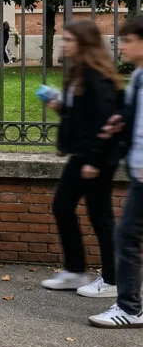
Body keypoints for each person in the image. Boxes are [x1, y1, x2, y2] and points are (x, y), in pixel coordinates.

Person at [40, 20, 120, 299]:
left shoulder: (96, 76)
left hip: (95, 159)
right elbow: (83, 118)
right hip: (84, 155)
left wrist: (93, 162)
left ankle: (112, 279)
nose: (64, 44)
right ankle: (75, 271)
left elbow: (103, 123)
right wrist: (61, 108)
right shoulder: (79, 73)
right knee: (63, 207)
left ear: (84, 44)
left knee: (101, 218)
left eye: (69, 40)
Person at [91, 14, 143, 327]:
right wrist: (120, 121)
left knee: (125, 237)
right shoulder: (138, 76)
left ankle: (130, 308)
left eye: (127, 40)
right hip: (138, 171)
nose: (121, 45)